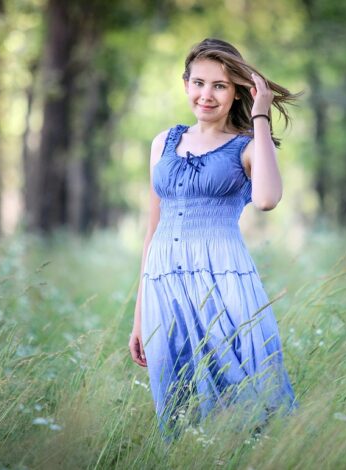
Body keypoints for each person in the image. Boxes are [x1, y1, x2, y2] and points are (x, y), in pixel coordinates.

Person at [129, 38, 299, 439]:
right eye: (199, 83)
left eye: (220, 85)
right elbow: (152, 230)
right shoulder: (163, 142)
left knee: (242, 385)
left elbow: (268, 199)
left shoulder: (246, 147)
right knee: (178, 392)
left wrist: (260, 116)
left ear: (237, 90)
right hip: (164, 283)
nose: (206, 95)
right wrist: (139, 317)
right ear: (186, 84)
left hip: (222, 279)